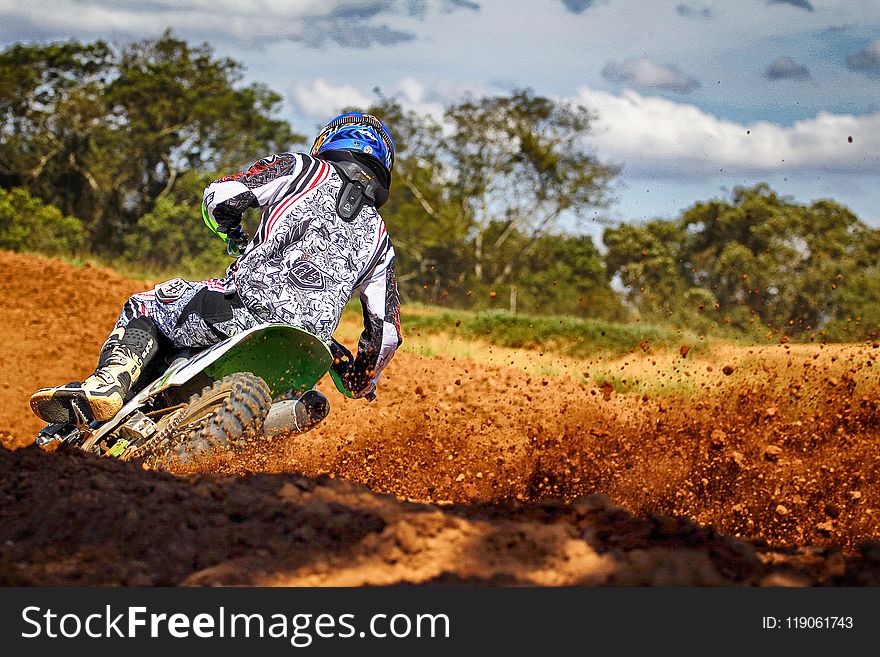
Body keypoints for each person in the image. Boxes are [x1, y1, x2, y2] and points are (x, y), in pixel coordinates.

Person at [30, 112, 403, 434]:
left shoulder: (303, 167)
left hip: (242, 311)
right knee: (312, 398)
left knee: (146, 306)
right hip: (307, 356)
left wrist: (231, 231)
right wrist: (359, 380)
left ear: (333, 141)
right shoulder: (382, 242)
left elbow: (221, 196)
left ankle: (107, 386)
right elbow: (386, 335)